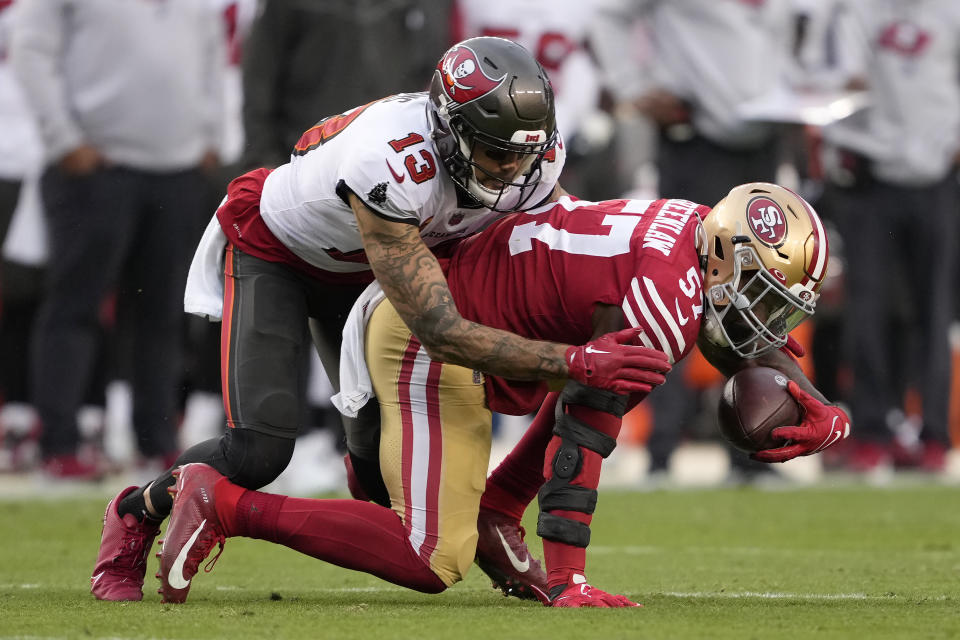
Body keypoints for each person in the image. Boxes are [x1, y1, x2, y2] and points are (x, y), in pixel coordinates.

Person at [90, 36, 668, 602]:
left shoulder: (532, 159)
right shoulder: (394, 162)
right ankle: (135, 513)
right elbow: (441, 331)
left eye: (524, 152)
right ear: (448, 130)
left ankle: (482, 536)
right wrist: (572, 361)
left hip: (370, 274)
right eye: (496, 152)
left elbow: (551, 247)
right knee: (258, 451)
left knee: (376, 473)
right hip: (282, 253)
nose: (513, 169)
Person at [154, 182, 850, 608]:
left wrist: (819, 404)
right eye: (764, 293)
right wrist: (568, 577)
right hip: (433, 332)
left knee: (607, 370)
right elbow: (583, 437)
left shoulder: (695, 229)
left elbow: (703, 345)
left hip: (476, 319)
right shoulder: (666, 297)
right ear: (728, 258)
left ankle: (495, 511)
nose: (772, 321)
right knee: (433, 557)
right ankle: (225, 503)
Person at [10, 0, 227, 479]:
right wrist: (63, 139)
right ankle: (59, 442)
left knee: (164, 313)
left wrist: (213, 133)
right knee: (75, 307)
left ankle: (157, 441)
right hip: (94, 167)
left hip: (179, 168)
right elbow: (29, 50)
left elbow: (213, 52)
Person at [814, 0, 960, 475]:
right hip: (870, 175)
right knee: (868, 309)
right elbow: (824, 75)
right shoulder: (851, 10)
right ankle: (873, 428)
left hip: (937, 175)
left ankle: (934, 432)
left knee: (934, 308)